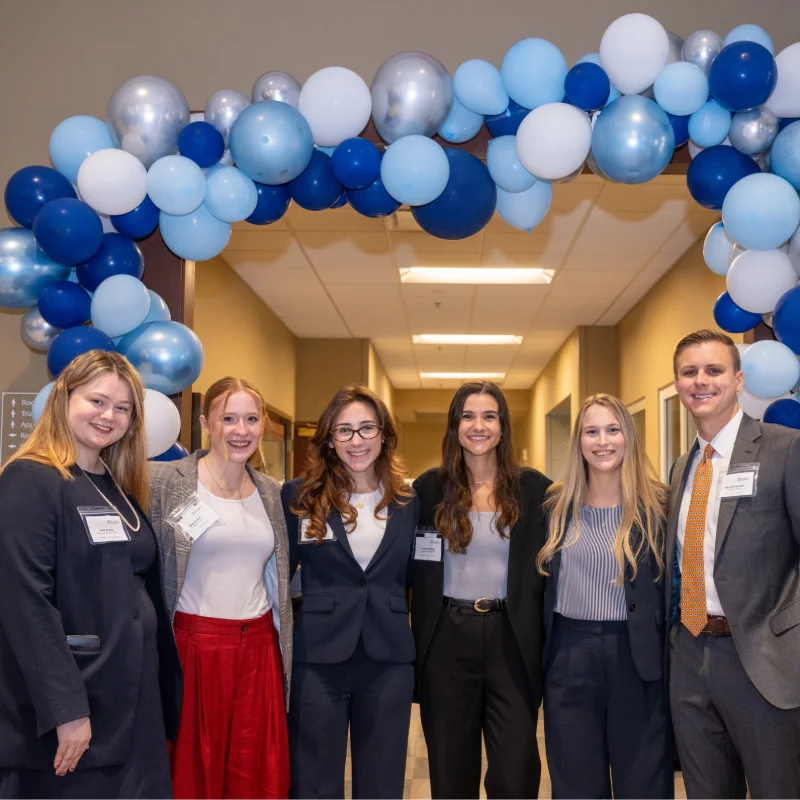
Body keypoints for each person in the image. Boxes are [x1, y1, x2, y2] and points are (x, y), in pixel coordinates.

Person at [0, 350, 181, 799]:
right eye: (97, 401)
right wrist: (67, 710)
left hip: (131, 697)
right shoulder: (31, 478)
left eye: (122, 408)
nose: (109, 416)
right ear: (64, 398)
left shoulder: (113, 482)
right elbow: (25, 603)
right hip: (77, 703)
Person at [667, 329, 800, 800]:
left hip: (764, 662)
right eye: (689, 372)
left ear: (738, 379)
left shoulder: (785, 449)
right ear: (679, 384)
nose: (700, 381)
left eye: (713, 370)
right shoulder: (682, 467)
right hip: (689, 653)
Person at [148, 376, 292, 800]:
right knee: (194, 773)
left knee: (254, 773)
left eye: (250, 419)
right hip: (193, 650)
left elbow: (281, 573)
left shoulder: (270, 492)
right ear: (206, 422)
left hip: (261, 649)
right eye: (228, 418)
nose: (240, 430)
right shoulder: (164, 481)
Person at [411, 381, 551, 800]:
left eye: (489, 416)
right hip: (446, 640)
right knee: (451, 773)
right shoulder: (428, 489)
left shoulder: (534, 490)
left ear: (504, 427)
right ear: (454, 426)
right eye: (467, 416)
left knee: (515, 771)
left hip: (511, 638)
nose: (478, 425)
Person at [282, 384, 418, 800]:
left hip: (389, 658)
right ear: (328, 440)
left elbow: (420, 574)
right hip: (319, 657)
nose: (356, 441)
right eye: (344, 431)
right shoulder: (299, 495)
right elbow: (279, 572)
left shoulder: (411, 499)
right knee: (314, 777)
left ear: (384, 434)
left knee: (382, 778)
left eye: (366, 428)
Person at [537, 394, 673, 800]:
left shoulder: (659, 505)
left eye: (612, 430)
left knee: (643, 779)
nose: (603, 441)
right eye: (591, 431)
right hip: (569, 654)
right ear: (578, 441)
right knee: (576, 782)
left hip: (637, 656)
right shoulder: (554, 506)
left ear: (628, 437)